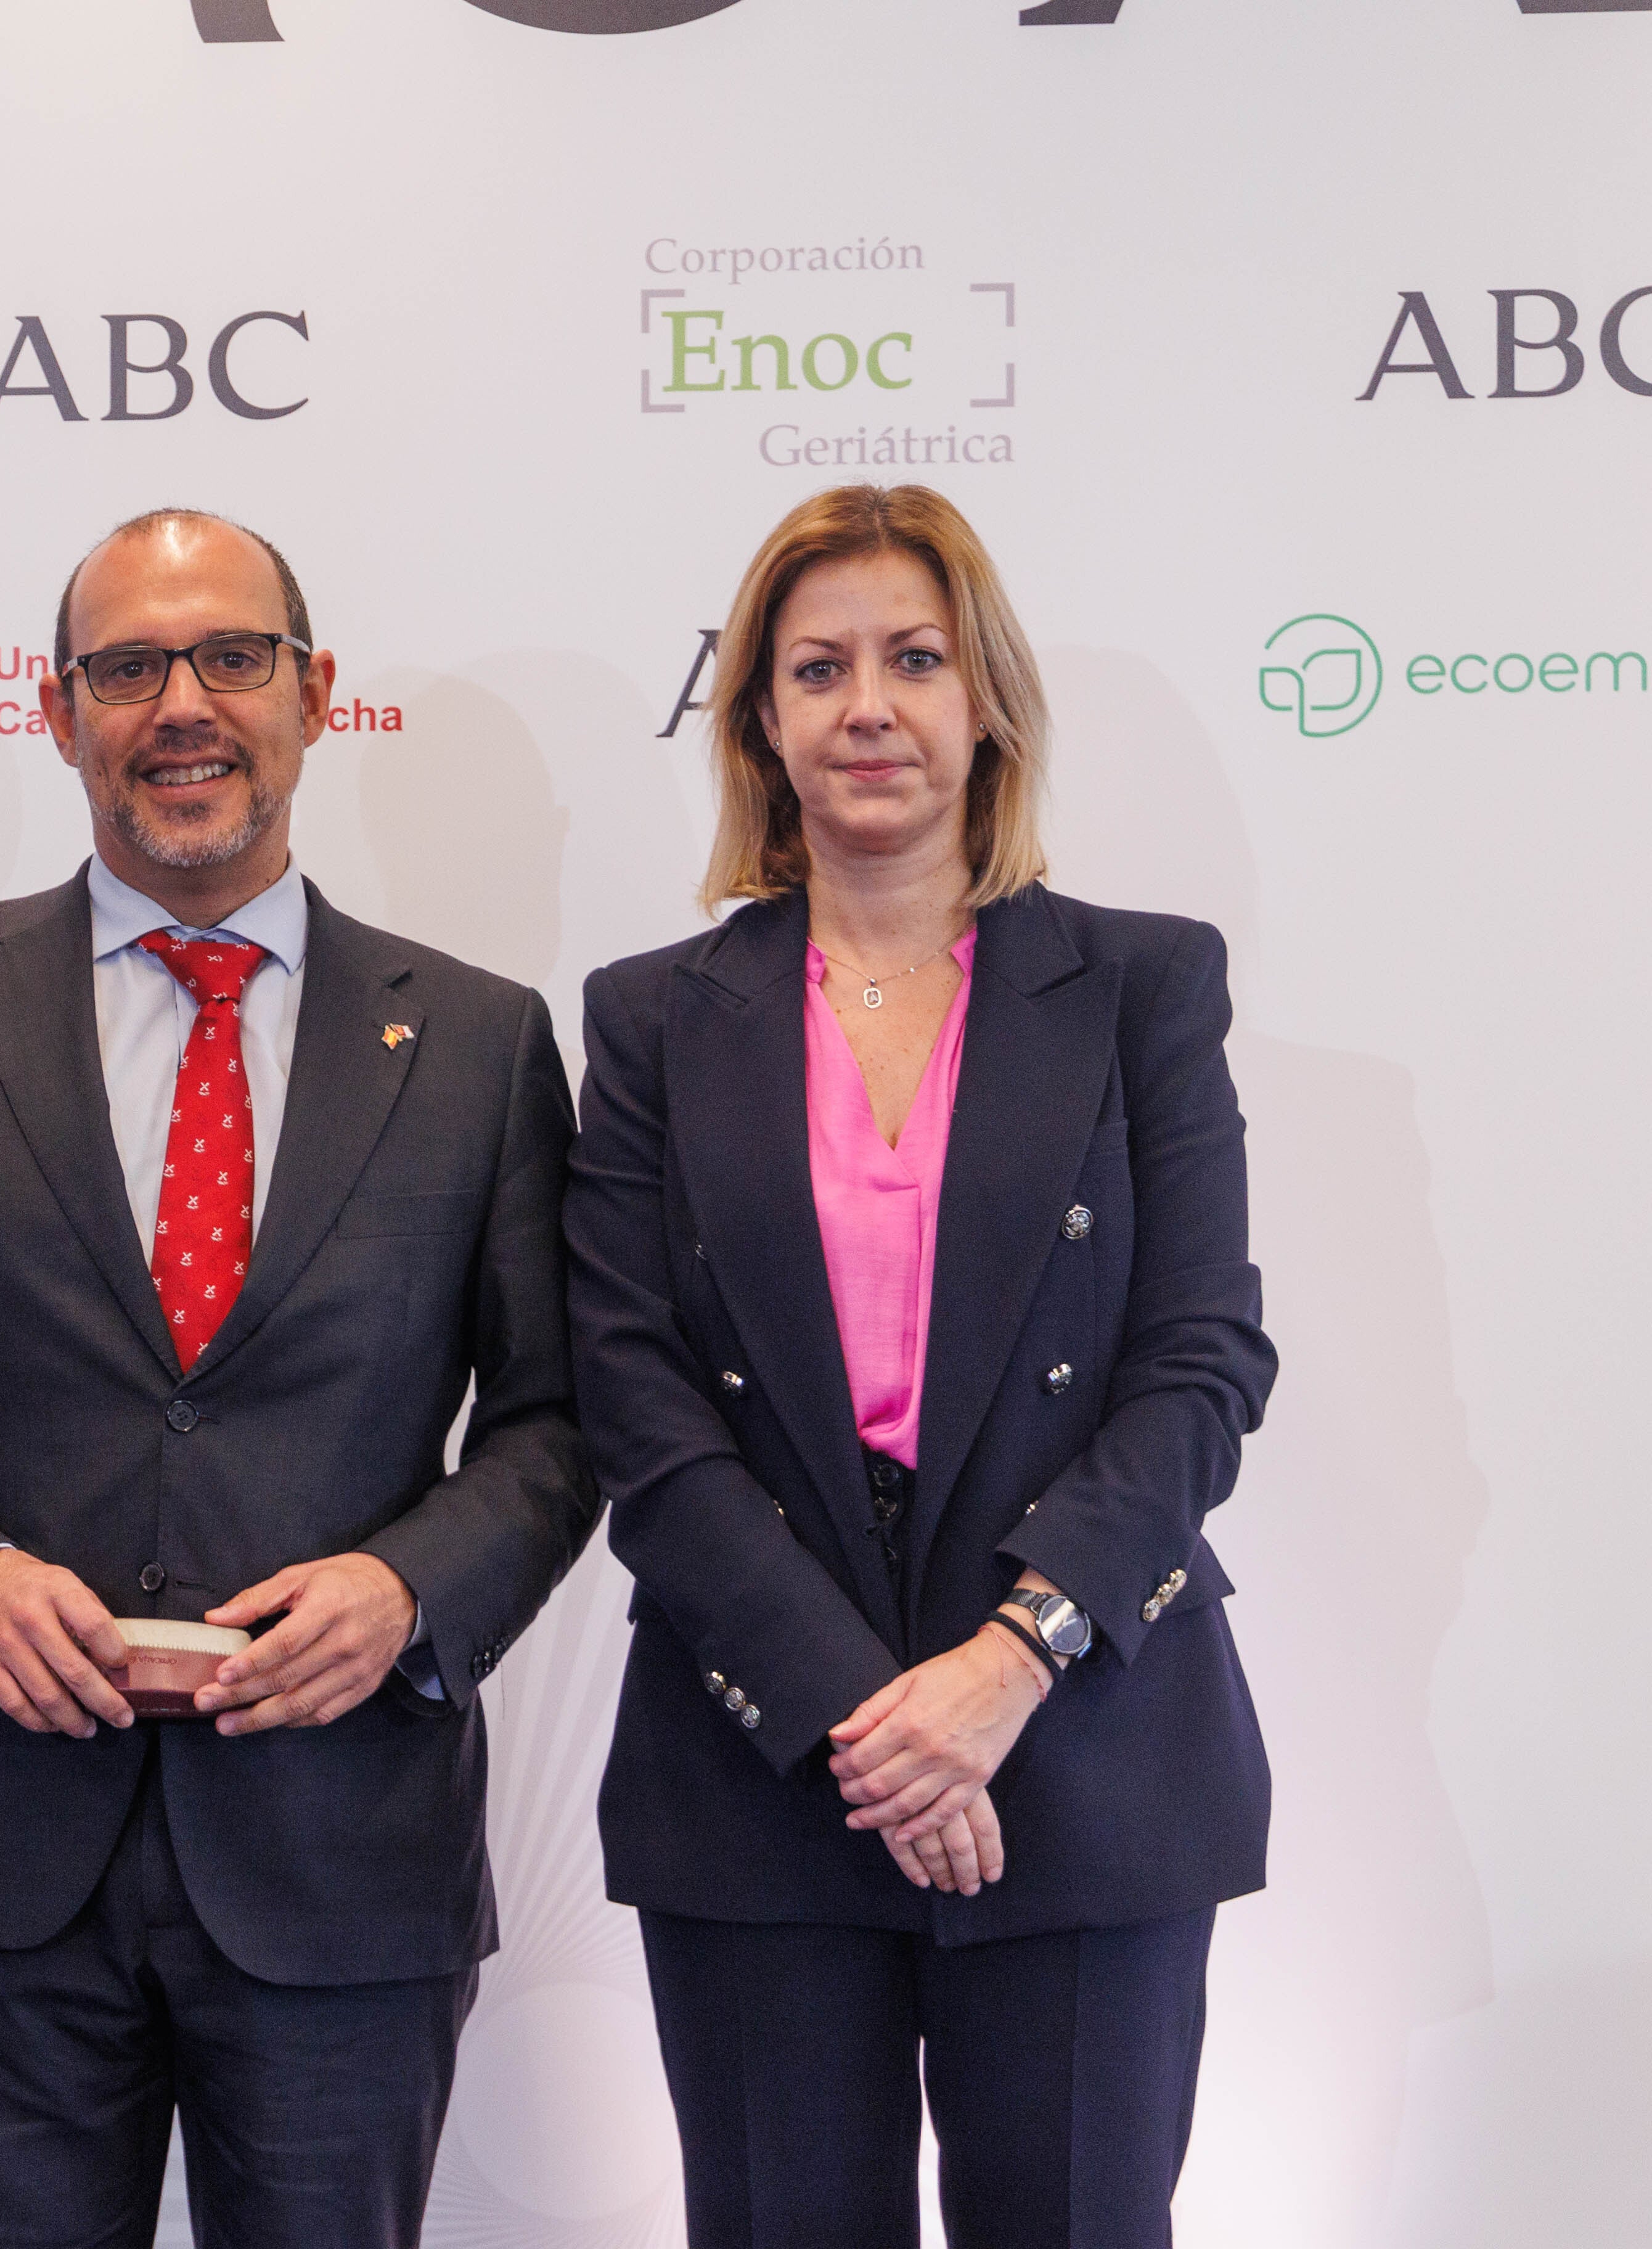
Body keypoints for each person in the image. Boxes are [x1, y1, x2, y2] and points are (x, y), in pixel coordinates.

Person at [0, 509, 599, 2249]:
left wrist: (405, 1591)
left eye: (231, 657)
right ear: (58, 716)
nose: (182, 706)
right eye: (126, 668)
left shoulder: (480, 1038)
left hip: (340, 1856)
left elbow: (558, 1419)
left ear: (315, 696)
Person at [565, 483, 1277, 2249]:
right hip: (760, 1767)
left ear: (987, 708)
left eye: (915, 659)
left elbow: (1202, 1362)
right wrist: (868, 1722)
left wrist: (1007, 1669)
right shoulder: (652, 1019)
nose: (868, 704)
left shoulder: (1141, 987)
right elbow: (636, 1405)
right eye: (818, 669)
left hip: (1085, 1739)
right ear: (760, 725)